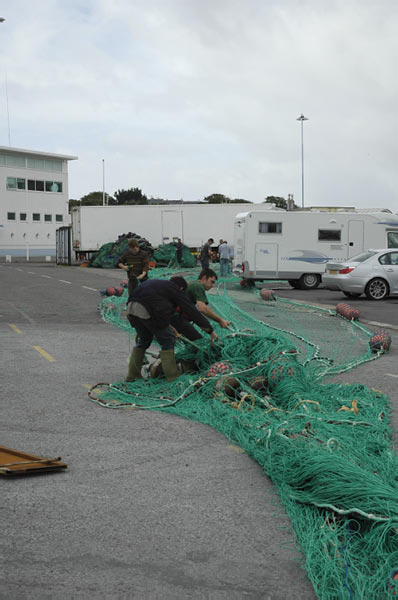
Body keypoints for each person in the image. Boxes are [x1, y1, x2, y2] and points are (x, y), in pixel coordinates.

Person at [125, 278, 217, 382]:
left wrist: (170, 327)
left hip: (131, 309)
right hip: (147, 309)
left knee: (144, 340)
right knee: (168, 340)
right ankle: (172, 378)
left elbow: (161, 310)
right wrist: (210, 331)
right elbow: (191, 310)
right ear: (181, 288)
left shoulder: (159, 286)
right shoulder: (175, 289)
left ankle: (132, 375)